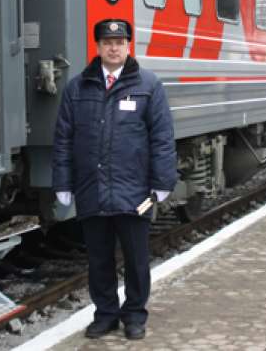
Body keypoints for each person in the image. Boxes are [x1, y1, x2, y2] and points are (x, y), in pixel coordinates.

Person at [52, 19, 178, 340]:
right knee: (98, 259)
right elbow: (64, 139)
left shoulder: (148, 86)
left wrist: (162, 181)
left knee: (136, 260)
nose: (113, 47)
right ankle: (105, 314)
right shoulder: (77, 88)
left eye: (120, 42)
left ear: (128, 46)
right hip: (92, 190)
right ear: (97, 47)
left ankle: (135, 314)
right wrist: (63, 183)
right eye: (108, 42)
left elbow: (162, 137)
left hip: (134, 192)